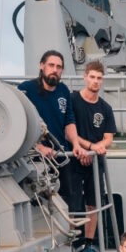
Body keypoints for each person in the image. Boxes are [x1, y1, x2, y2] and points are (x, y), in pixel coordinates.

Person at [18, 49, 78, 210]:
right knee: (37, 204)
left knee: (66, 202)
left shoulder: (63, 91)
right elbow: (18, 126)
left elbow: (69, 121)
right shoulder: (26, 90)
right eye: (51, 65)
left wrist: (76, 144)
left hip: (60, 157)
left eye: (59, 67)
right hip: (35, 160)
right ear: (42, 66)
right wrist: (38, 147)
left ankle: (68, 235)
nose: (55, 69)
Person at [68, 60, 117, 252]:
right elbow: (68, 130)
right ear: (85, 77)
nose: (95, 81)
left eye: (99, 78)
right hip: (74, 159)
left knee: (93, 203)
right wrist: (88, 148)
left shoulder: (105, 108)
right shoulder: (73, 101)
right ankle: (70, 244)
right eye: (92, 77)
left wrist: (96, 149)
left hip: (95, 163)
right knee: (71, 204)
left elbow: (109, 138)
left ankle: (89, 244)